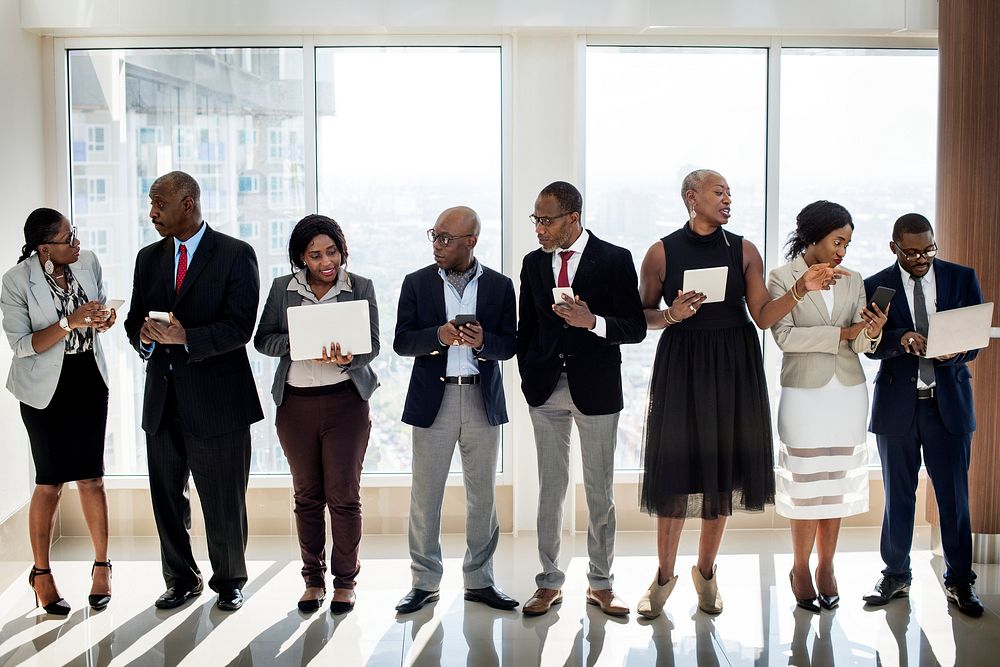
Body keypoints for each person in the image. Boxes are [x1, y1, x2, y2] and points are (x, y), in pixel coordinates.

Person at [635, 170, 845, 619]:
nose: (728, 199)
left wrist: (800, 288)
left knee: (721, 472)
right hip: (682, 363)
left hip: (733, 363)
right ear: (692, 198)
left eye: (730, 192)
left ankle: (706, 575)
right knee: (674, 472)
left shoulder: (745, 249)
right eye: (719, 192)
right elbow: (643, 317)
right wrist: (670, 314)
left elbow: (765, 318)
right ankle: (663, 577)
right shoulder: (660, 252)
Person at [123, 171, 263, 612]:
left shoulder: (236, 255)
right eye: (150, 204)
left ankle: (229, 581)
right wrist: (144, 336)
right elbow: (133, 320)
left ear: (188, 203)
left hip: (219, 403)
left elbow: (241, 327)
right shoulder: (148, 258)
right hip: (162, 403)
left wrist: (186, 338)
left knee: (223, 500)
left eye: (158, 204)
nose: (151, 213)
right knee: (166, 498)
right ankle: (181, 579)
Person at [517, 181, 646, 618]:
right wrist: (528, 377)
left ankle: (601, 583)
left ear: (573, 217)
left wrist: (593, 322)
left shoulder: (615, 260)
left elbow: (635, 328)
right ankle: (549, 582)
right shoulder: (533, 265)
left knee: (599, 492)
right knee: (550, 488)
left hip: (597, 388)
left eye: (546, 220)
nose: (539, 228)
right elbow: (526, 330)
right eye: (535, 219)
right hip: (545, 390)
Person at [393, 206, 519, 615]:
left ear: (471, 242)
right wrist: (439, 336)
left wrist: (482, 342)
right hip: (435, 399)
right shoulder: (416, 283)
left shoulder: (500, 287)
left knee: (482, 498)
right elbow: (401, 342)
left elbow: (510, 345)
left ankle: (480, 581)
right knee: (425, 497)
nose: (437, 245)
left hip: (481, 397)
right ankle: (424, 582)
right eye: (435, 236)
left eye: (446, 238)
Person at [254, 214, 379, 615]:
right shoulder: (282, 289)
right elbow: (263, 341)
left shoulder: (360, 286)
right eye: (315, 255)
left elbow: (372, 345)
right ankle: (313, 578)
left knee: (344, 495)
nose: (326, 261)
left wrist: (350, 356)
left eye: (332, 252)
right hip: (296, 405)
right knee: (308, 496)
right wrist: (299, 341)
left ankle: (345, 582)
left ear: (342, 250)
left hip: (346, 402)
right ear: (301, 258)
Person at [862, 213, 985, 617]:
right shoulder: (875, 286)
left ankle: (960, 580)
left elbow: (975, 339)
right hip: (898, 404)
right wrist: (899, 338)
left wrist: (957, 351)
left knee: (954, 498)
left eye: (928, 249)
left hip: (947, 403)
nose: (921, 258)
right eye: (911, 252)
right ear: (893, 246)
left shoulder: (961, 277)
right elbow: (869, 346)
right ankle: (896, 573)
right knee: (898, 497)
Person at [767, 201, 887, 612]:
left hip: (847, 393)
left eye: (848, 243)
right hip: (803, 395)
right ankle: (800, 568)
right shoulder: (783, 278)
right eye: (838, 241)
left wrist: (870, 332)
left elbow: (860, 342)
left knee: (834, 485)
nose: (843, 251)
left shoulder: (853, 280)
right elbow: (784, 337)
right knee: (805, 487)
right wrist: (842, 333)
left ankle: (826, 567)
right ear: (813, 237)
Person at [1, 208, 116, 614]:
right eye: (70, 238)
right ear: (45, 247)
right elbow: (21, 345)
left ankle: (102, 567)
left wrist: (104, 319)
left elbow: (99, 311)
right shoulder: (16, 282)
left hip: (88, 381)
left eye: (76, 233)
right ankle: (41, 573)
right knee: (49, 481)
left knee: (91, 479)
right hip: (42, 390)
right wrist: (70, 322)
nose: (77, 243)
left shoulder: (88, 263)